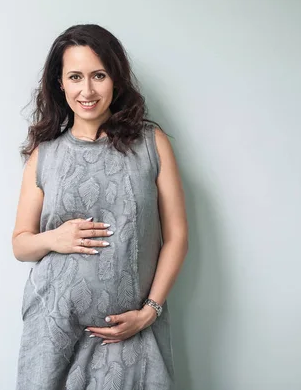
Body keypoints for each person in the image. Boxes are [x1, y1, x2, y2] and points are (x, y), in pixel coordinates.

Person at [11, 24, 188, 390]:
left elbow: (177, 237)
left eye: (99, 76)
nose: (87, 90)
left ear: (116, 80)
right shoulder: (45, 155)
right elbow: (20, 244)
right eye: (75, 77)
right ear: (61, 83)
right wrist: (55, 239)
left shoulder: (150, 144)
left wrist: (149, 312)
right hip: (53, 329)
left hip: (128, 330)